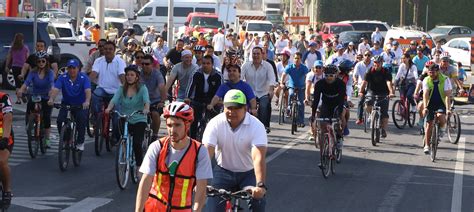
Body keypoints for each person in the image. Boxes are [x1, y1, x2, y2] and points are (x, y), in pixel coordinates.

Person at [136, 102, 212, 212]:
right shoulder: (157, 147)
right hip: (155, 208)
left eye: (177, 125)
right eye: (169, 125)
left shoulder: (200, 151)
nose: (172, 130)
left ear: (188, 125)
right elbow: (146, 181)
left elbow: (201, 188)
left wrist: (196, 210)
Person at [203, 89, 267, 212]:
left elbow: (258, 157)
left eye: (237, 108)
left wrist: (260, 185)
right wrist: (200, 181)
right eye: (229, 108)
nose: (232, 112)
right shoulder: (215, 123)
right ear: (223, 108)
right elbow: (206, 153)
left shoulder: (256, 126)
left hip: (248, 173)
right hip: (223, 171)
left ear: (245, 108)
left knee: (258, 204)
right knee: (211, 207)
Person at [105, 65, 150, 167]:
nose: (129, 77)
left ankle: (139, 167)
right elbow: (114, 100)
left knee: (137, 143)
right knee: (122, 136)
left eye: (132, 75)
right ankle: (125, 150)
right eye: (127, 75)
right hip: (125, 118)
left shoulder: (142, 88)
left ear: (136, 77)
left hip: (139, 118)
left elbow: (146, 101)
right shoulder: (122, 89)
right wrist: (108, 108)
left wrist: (146, 109)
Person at [48, 59, 91, 151]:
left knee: (81, 120)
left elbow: (87, 91)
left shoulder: (84, 78)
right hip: (66, 103)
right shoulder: (63, 77)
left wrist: (87, 101)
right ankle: (65, 139)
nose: (72, 70)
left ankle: (80, 142)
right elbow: (56, 89)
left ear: (78, 68)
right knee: (60, 120)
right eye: (70, 68)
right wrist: (51, 99)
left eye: (74, 68)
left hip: (81, 104)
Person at [17, 51, 54, 148]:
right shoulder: (33, 72)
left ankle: (47, 140)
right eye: (39, 61)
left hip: (46, 96)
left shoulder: (50, 72)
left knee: (46, 118)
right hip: (35, 95)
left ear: (46, 62)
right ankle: (30, 122)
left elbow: (52, 83)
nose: (41, 63)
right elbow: (26, 83)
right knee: (30, 106)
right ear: (36, 62)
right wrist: (21, 90)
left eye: (43, 61)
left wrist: (51, 92)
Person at [185, 55, 223, 140]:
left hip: (212, 100)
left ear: (212, 65)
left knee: (216, 121)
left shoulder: (218, 75)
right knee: (193, 120)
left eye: (208, 63)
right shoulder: (196, 73)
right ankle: (192, 140)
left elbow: (221, 90)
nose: (205, 65)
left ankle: (215, 139)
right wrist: (187, 97)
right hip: (198, 99)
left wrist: (220, 100)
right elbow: (190, 86)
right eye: (204, 63)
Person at [310, 65, 346, 149]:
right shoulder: (320, 84)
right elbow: (316, 100)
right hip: (326, 104)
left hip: (338, 104)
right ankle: (324, 145)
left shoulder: (341, 84)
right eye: (326, 75)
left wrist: (340, 115)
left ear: (336, 75)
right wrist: (313, 114)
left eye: (331, 76)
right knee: (323, 125)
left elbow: (341, 100)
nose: (328, 78)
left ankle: (340, 136)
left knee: (342, 115)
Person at [358, 55, 395, 138]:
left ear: (382, 63)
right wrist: (361, 91)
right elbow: (364, 82)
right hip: (372, 91)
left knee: (384, 113)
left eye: (378, 62)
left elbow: (388, 83)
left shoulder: (386, 72)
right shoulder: (369, 71)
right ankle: (371, 115)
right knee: (367, 103)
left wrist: (391, 92)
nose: (376, 64)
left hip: (383, 92)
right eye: (375, 62)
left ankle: (383, 130)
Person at [241, 47, 276, 133]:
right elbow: (240, 79)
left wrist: (271, 90)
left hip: (263, 93)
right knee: (242, 107)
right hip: (249, 93)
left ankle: (263, 126)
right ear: (251, 55)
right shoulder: (246, 65)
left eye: (258, 54)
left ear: (262, 55)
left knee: (264, 106)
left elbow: (272, 79)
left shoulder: (268, 66)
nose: (256, 56)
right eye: (254, 54)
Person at [422, 63, 452, 154]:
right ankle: (427, 145)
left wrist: (448, 109)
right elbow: (425, 94)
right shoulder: (426, 80)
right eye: (430, 72)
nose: (431, 75)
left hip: (441, 102)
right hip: (430, 103)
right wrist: (425, 107)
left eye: (433, 73)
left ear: (438, 72)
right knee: (429, 124)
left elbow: (447, 96)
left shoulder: (445, 79)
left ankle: (442, 129)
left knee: (441, 117)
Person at [140, 55, 167, 141]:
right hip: (141, 101)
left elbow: (162, 87)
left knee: (155, 114)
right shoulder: (138, 74)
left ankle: (155, 135)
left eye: (147, 64)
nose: (144, 66)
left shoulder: (157, 74)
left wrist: (162, 101)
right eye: (142, 64)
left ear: (152, 65)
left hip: (155, 100)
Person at [280, 52, 309, 127]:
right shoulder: (289, 67)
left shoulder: (304, 67)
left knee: (301, 104)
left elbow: (307, 76)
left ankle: (301, 121)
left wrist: (307, 84)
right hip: (292, 85)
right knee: (291, 94)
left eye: (298, 58)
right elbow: (284, 74)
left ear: (301, 59)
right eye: (295, 58)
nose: (296, 60)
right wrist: (281, 83)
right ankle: (289, 108)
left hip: (301, 87)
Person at [5, 33, 29, 104]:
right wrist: (29, 67)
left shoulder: (12, 48)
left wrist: (7, 66)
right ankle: (23, 94)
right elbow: (28, 58)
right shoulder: (25, 48)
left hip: (15, 67)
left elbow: (9, 57)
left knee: (17, 84)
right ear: (22, 40)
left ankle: (18, 100)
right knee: (24, 82)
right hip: (23, 67)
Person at [0, 91, 14, 209]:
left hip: (4, 135)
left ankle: (7, 191)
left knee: (1, 161)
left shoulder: (3, 97)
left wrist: (4, 138)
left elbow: (8, 117)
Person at [353, 50, 373, 125]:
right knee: (361, 101)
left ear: (371, 56)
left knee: (371, 101)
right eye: (365, 55)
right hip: (361, 85)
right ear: (363, 56)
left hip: (371, 86)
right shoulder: (359, 64)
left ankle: (372, 115)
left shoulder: (373, 64)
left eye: (369, 55)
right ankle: (359, 118)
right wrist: (355, 81)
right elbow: (355, 75)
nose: (367, 57)